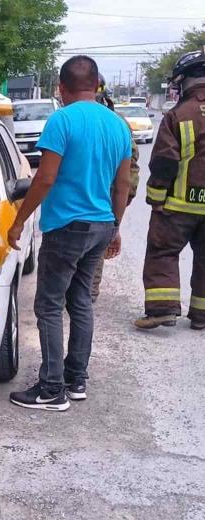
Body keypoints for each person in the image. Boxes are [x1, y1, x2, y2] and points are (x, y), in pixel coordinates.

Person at [7, 55, 132, 411]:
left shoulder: (61, 120)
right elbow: (122, 185)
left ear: (61, 88)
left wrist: (19, 221)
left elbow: (45, 178)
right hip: (100, 226)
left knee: (48, 305)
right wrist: (116, 228)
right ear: (96, 85)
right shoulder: (118, 125)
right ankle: (76, 380)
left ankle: (51, 389)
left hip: (66, 227)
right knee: (80, 302)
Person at [134, 48, 205, 331]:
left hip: (177, 206)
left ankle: (162, 310)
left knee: (162, 252)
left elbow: (164, 162)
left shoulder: (178, 115)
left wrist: (156, 199)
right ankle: (201, 315)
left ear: (184, 80)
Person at [92, 74, 140, 302]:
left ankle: (84, 295)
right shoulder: (118, 122)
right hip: (105, 202)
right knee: (95, 250)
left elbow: (131, 168)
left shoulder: (65, 118)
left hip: (99, 198)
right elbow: (132, 169)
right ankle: (86, 296)